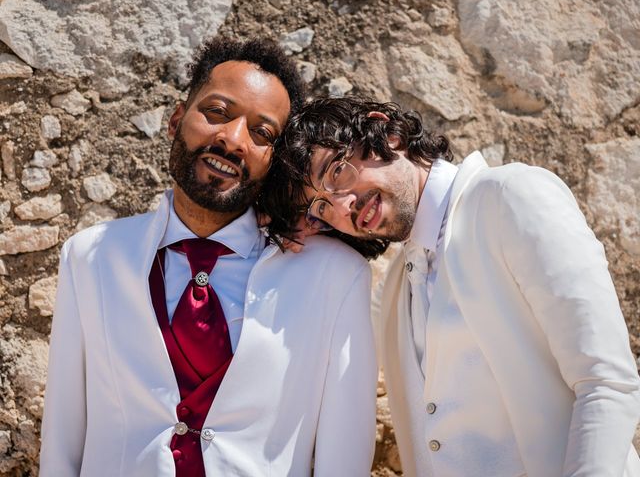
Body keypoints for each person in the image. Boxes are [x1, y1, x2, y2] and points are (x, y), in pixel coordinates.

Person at [39, 40, 377, 477]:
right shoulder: (90, 257)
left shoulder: (335, 277)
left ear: (274, 160)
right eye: (218, 112)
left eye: (261, 133)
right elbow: (64, 434)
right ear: (177, 120)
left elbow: (344, 457)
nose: (233, 139)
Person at [262, 97, 640, 477]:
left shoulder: (511, 196)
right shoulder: (393, 289)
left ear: (387, 133)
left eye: (337, 172)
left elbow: (606, 382)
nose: (343, 206)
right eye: (322, 208)